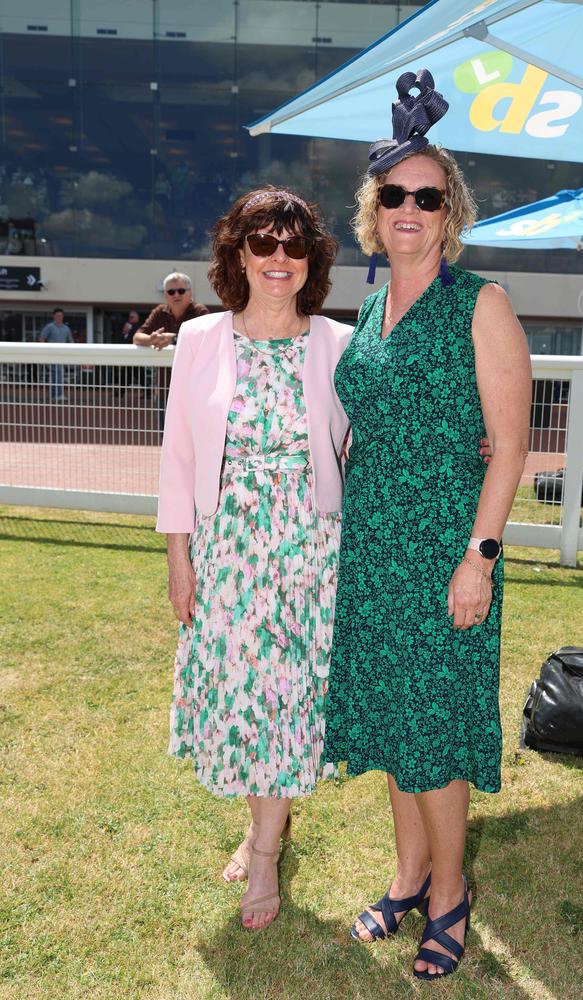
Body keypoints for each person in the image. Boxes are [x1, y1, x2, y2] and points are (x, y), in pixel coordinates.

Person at [322, 70, 532, 982]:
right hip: (372, 549)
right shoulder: (369, 308)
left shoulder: (481, 304)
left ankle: (450, 897)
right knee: (395, 729)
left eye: (427, 196)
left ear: (449, 213)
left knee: (435, 734)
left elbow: (514, 444)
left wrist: (478, 557)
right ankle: (408, 876)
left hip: (445, 551)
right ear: (374, 208)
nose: (408, 207)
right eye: (393, 193)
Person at [156, 189, 349, 932]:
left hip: (308, 552)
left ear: (311, 260)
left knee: (289, 696)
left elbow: (375, 437)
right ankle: (263, 826)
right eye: (262, 245)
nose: (278, 259)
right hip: (228, 548)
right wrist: (180, 560)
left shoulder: (337, 344)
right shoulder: (202, 338)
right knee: (243, 697)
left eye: (293, 247)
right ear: (239, 254)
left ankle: (265, 853)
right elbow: (177, 457)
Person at [134, 273, 209, 429]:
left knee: (193, 440)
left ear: (190, 293)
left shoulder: (200, 312)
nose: (176, 295)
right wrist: (152, 339)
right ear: (165, 295)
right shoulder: (160, 312)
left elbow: (208, 340)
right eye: (171, 292)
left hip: (194, 390)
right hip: (164, 389)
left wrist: (173, 340)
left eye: (181, 291)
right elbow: (137, 337)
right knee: (166, 438)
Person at [38, 307, 72, 401]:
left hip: (62, 355)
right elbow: (42, 338)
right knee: (56, 374)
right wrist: (44, 351)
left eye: (61, 315)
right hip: (52, 354)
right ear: (54, 316)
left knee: (59, 374)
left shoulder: (66, 328)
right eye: (57, 315)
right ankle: (56, 395)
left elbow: (70, 341)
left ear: (63, 316)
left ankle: (56, 394)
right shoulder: (50, 327)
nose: (59, 317)